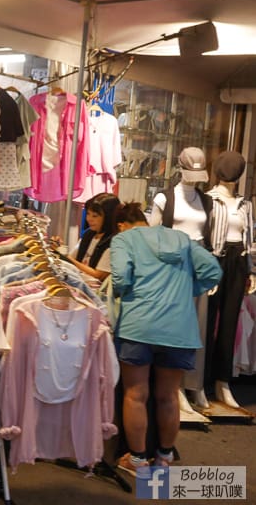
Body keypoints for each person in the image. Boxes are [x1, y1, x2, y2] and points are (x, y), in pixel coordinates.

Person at [110, 202, 222, 474]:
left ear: (122, 224)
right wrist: (188, 289)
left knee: (136, 395)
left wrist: (125, 292)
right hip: (179, 329)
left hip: (138, 326)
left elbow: (120, 277)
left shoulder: (123, 239)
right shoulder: (182, 239)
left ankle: (137, 461)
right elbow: (214, 271)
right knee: (168, 396)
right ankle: (163, 458)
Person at [149, 147, 214, 413]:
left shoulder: (206, 201)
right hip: (172, 266)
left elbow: (208, 238)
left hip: (198, 267)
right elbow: (153, 236)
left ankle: (193, 383)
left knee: (197, 327)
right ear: (179, 167)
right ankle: (173, 386)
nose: (194, 178)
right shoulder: (165, 199)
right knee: (174, 327)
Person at [205, 150, 254, 408]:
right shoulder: (210, 200)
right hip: (215, 259)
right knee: (207, 319)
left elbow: (248, 239)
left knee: (229, 321)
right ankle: (200, 382)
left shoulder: (245, 204)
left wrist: (251, 271)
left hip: (237, 261)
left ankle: (222, 381)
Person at [66, 192, 120, 282]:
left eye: (95, 216)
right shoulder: (89, 234)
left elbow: (98, 275)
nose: (89, 219)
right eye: (88, 214)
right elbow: (73, 257)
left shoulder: (114, 241)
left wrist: (67, 258)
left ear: (108, 217)